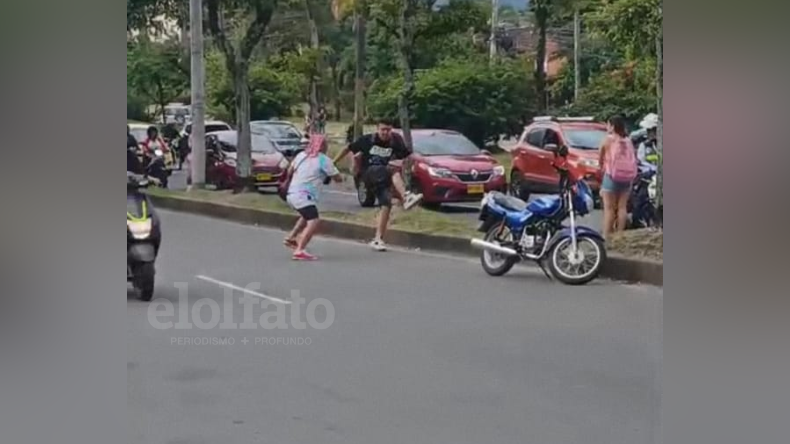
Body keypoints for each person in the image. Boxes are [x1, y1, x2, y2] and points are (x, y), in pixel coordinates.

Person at [332, 119, 424, 251]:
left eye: (388, 130)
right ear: (377, 129)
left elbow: (407, 156)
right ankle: (406, 196)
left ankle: (378, 239)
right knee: (391, 169)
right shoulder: (368, 140)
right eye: (383, 130)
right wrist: (333, 162)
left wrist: (409, 166)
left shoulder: (395, 141)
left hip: (383, 177)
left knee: (386, 204)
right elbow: (348, 148)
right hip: (369, 173)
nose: (385, 133)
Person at [284, 134, 344, 261]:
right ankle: (300, 249)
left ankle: (291, 237)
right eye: (325, 144)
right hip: (303, 196)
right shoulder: (323, 160)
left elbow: (289, 171)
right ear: (323, 146)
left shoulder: (301, 156)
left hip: (291, 194)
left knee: (306, 215)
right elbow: (338, 178)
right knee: (314, 220)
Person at [599, 115, 638, 238]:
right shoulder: (628, 140)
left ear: (612, 126)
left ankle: (606, 236)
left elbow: (600, 157)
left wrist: (601, 167)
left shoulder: (608, 140)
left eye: (608, 125)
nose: (607, 127)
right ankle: (620, 236)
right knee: (622, 207)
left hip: (611, 176)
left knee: (609, 208)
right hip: (626, 178)